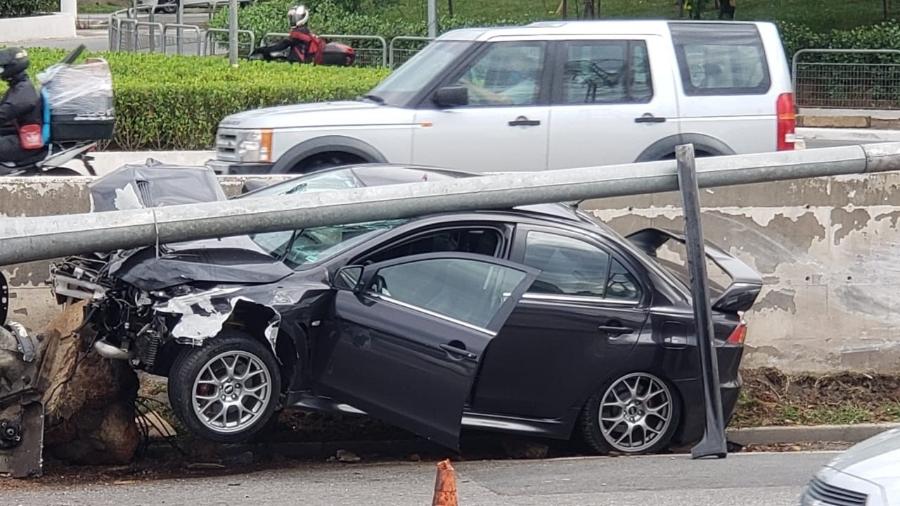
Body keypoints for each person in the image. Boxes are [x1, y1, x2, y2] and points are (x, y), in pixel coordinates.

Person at [0, 47, 44, 163]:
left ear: (11, 68)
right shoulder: (20, 86)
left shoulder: (22, 93)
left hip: (22, 141)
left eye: (3, 67)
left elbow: (4, 113)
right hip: (15, 134)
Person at [252, 5, 323, 64]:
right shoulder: (306, 32)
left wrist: (261, 50)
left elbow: (281, 46)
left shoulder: (298, 34)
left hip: (297, 62)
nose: (293, 20)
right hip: (305, 62)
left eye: (295, 17)